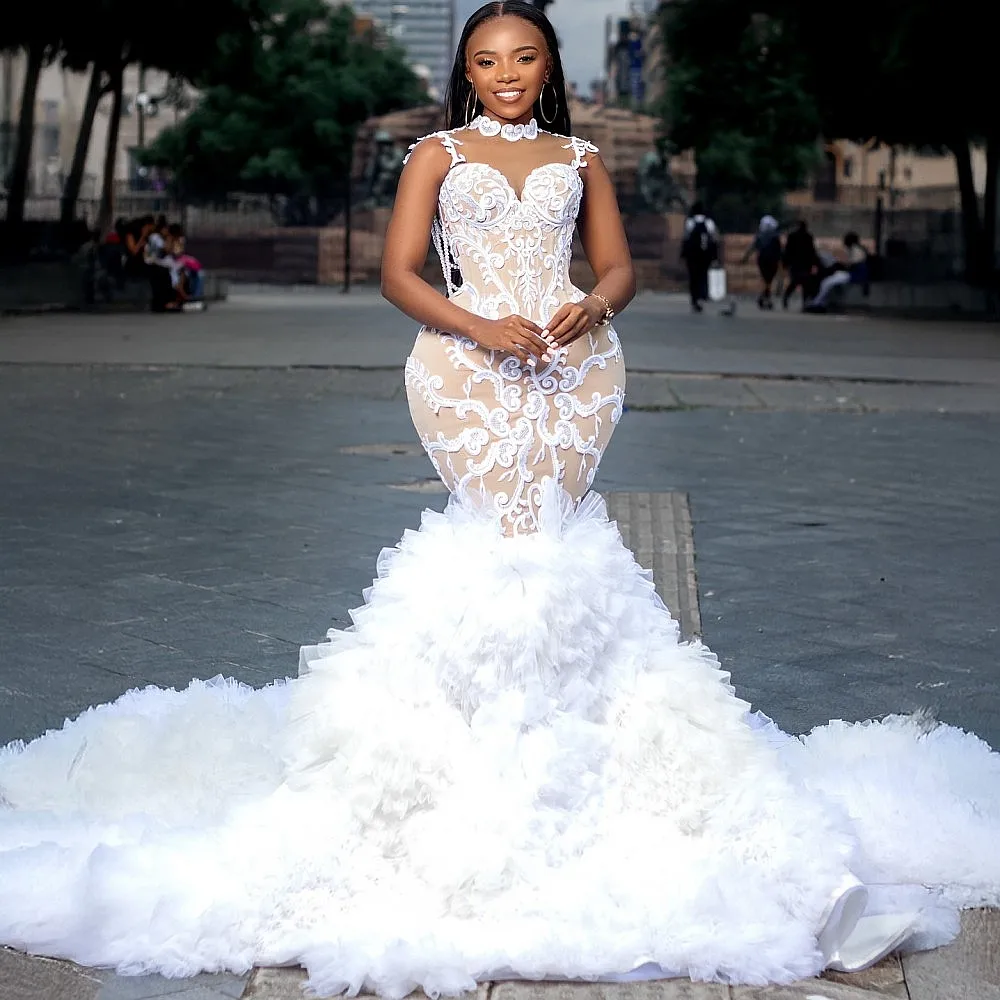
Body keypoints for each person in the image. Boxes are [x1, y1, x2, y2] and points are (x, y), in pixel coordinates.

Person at [1, 4, 998, 999]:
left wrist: (593, 305)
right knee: (506, 549)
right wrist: (479, 324)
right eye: (486, 60)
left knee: (554, 547)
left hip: (575, 371)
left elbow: (618, 269)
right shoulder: (435, 154)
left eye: (523, 56)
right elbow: (397, 274)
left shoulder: (581, 159)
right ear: (468, 73)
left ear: (549, 63)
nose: (505, 72)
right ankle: (466, 774)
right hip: (461, 371)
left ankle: (578, 762)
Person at [805, 231, 870, 312]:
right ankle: (819, 302)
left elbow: (852, 265)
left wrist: (841, 265)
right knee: (829, 281)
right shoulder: (855, 249)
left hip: (855, 274)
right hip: (854, 273)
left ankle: (817, 303)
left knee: (827, 282)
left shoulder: (856, 250)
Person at [680, 200, 718, 312]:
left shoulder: (690, 222)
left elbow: (686, 240)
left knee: (693, 277)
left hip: (692, 256)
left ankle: (694, 298)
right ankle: (702, 296)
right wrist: (715, 257)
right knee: (703, 275)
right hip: (705, 255)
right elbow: (714, 240)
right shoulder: (709, 223)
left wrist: (683, 255)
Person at [741, 214, 783, 309]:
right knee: (768, 280)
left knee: (766, 280)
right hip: (772, 260)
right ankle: (765, 298)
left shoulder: (760, 235)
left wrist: (745, 258)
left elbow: (752, 247)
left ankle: (764, 298)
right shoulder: (775, 236)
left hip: (762, 260)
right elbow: (779, 250)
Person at [782, 219, 819, 309]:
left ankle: (787, 298)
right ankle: (803, 302)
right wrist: (815, 263)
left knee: (795, 282)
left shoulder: (793, 236)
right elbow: (812, 251)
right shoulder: (808, 236)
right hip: (804, 263)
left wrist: (785, 262)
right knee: (803, 283)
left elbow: (787, 250)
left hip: (797, 263)